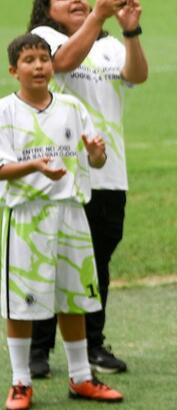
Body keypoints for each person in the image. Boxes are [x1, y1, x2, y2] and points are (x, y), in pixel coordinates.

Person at [1, 33, 126, 410]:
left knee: (75, 298)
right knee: (20, 305)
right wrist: (35, 167)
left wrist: (97, 154)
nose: (39, 66)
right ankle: (20, 382)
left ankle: (81, 377)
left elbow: (97, 162)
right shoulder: (5, 111)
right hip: (27, 217)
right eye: (29, 60)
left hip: (70, 213)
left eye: (44, 58)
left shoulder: (72, 107)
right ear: (13, 70)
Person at [27, 0, 147, 378]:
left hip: (109, 172)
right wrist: (98, 15)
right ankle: (39, 349)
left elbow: (137, 75)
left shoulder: (108, 44)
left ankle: (94, 345)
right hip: (59, 174)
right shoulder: (43, 38)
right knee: (51, 258)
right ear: (47, 8)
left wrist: (130, 32)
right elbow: (62, 63)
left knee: (98, 260)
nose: (78, 1)